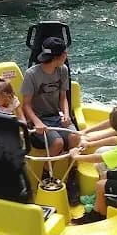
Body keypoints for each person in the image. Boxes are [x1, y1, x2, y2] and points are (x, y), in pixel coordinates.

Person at [21, 36, 80, 175]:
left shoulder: (63, 70)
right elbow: (26, 105)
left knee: (74, 137)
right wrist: (37, 122)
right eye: (65, 53)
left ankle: (72, 172)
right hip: (38, 120)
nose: (67, 56)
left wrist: (66, 114)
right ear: (57, 57)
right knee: (58, 143)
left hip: (56, 116)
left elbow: (63, 98)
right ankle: (46, 173)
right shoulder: (31, 74)